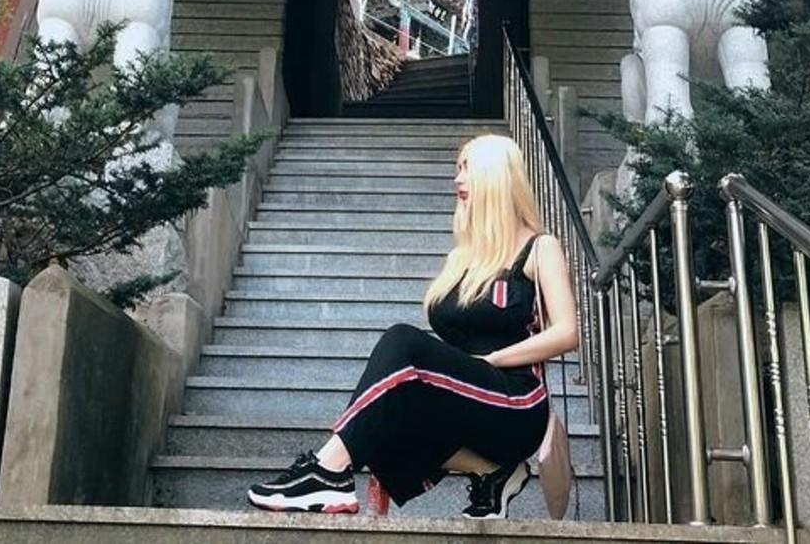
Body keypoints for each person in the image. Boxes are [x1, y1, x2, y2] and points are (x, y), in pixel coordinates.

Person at [247, 132, 579, 519]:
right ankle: (492, 471)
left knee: (402, 342)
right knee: (385, 408)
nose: (457, 179)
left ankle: (328, 472)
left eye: (467, 168)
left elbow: (567, 333)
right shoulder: (462, 259)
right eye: (457, 169)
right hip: (466, 393)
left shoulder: (539, 248)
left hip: (517, 401)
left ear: (495, 176)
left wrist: (491, 361)